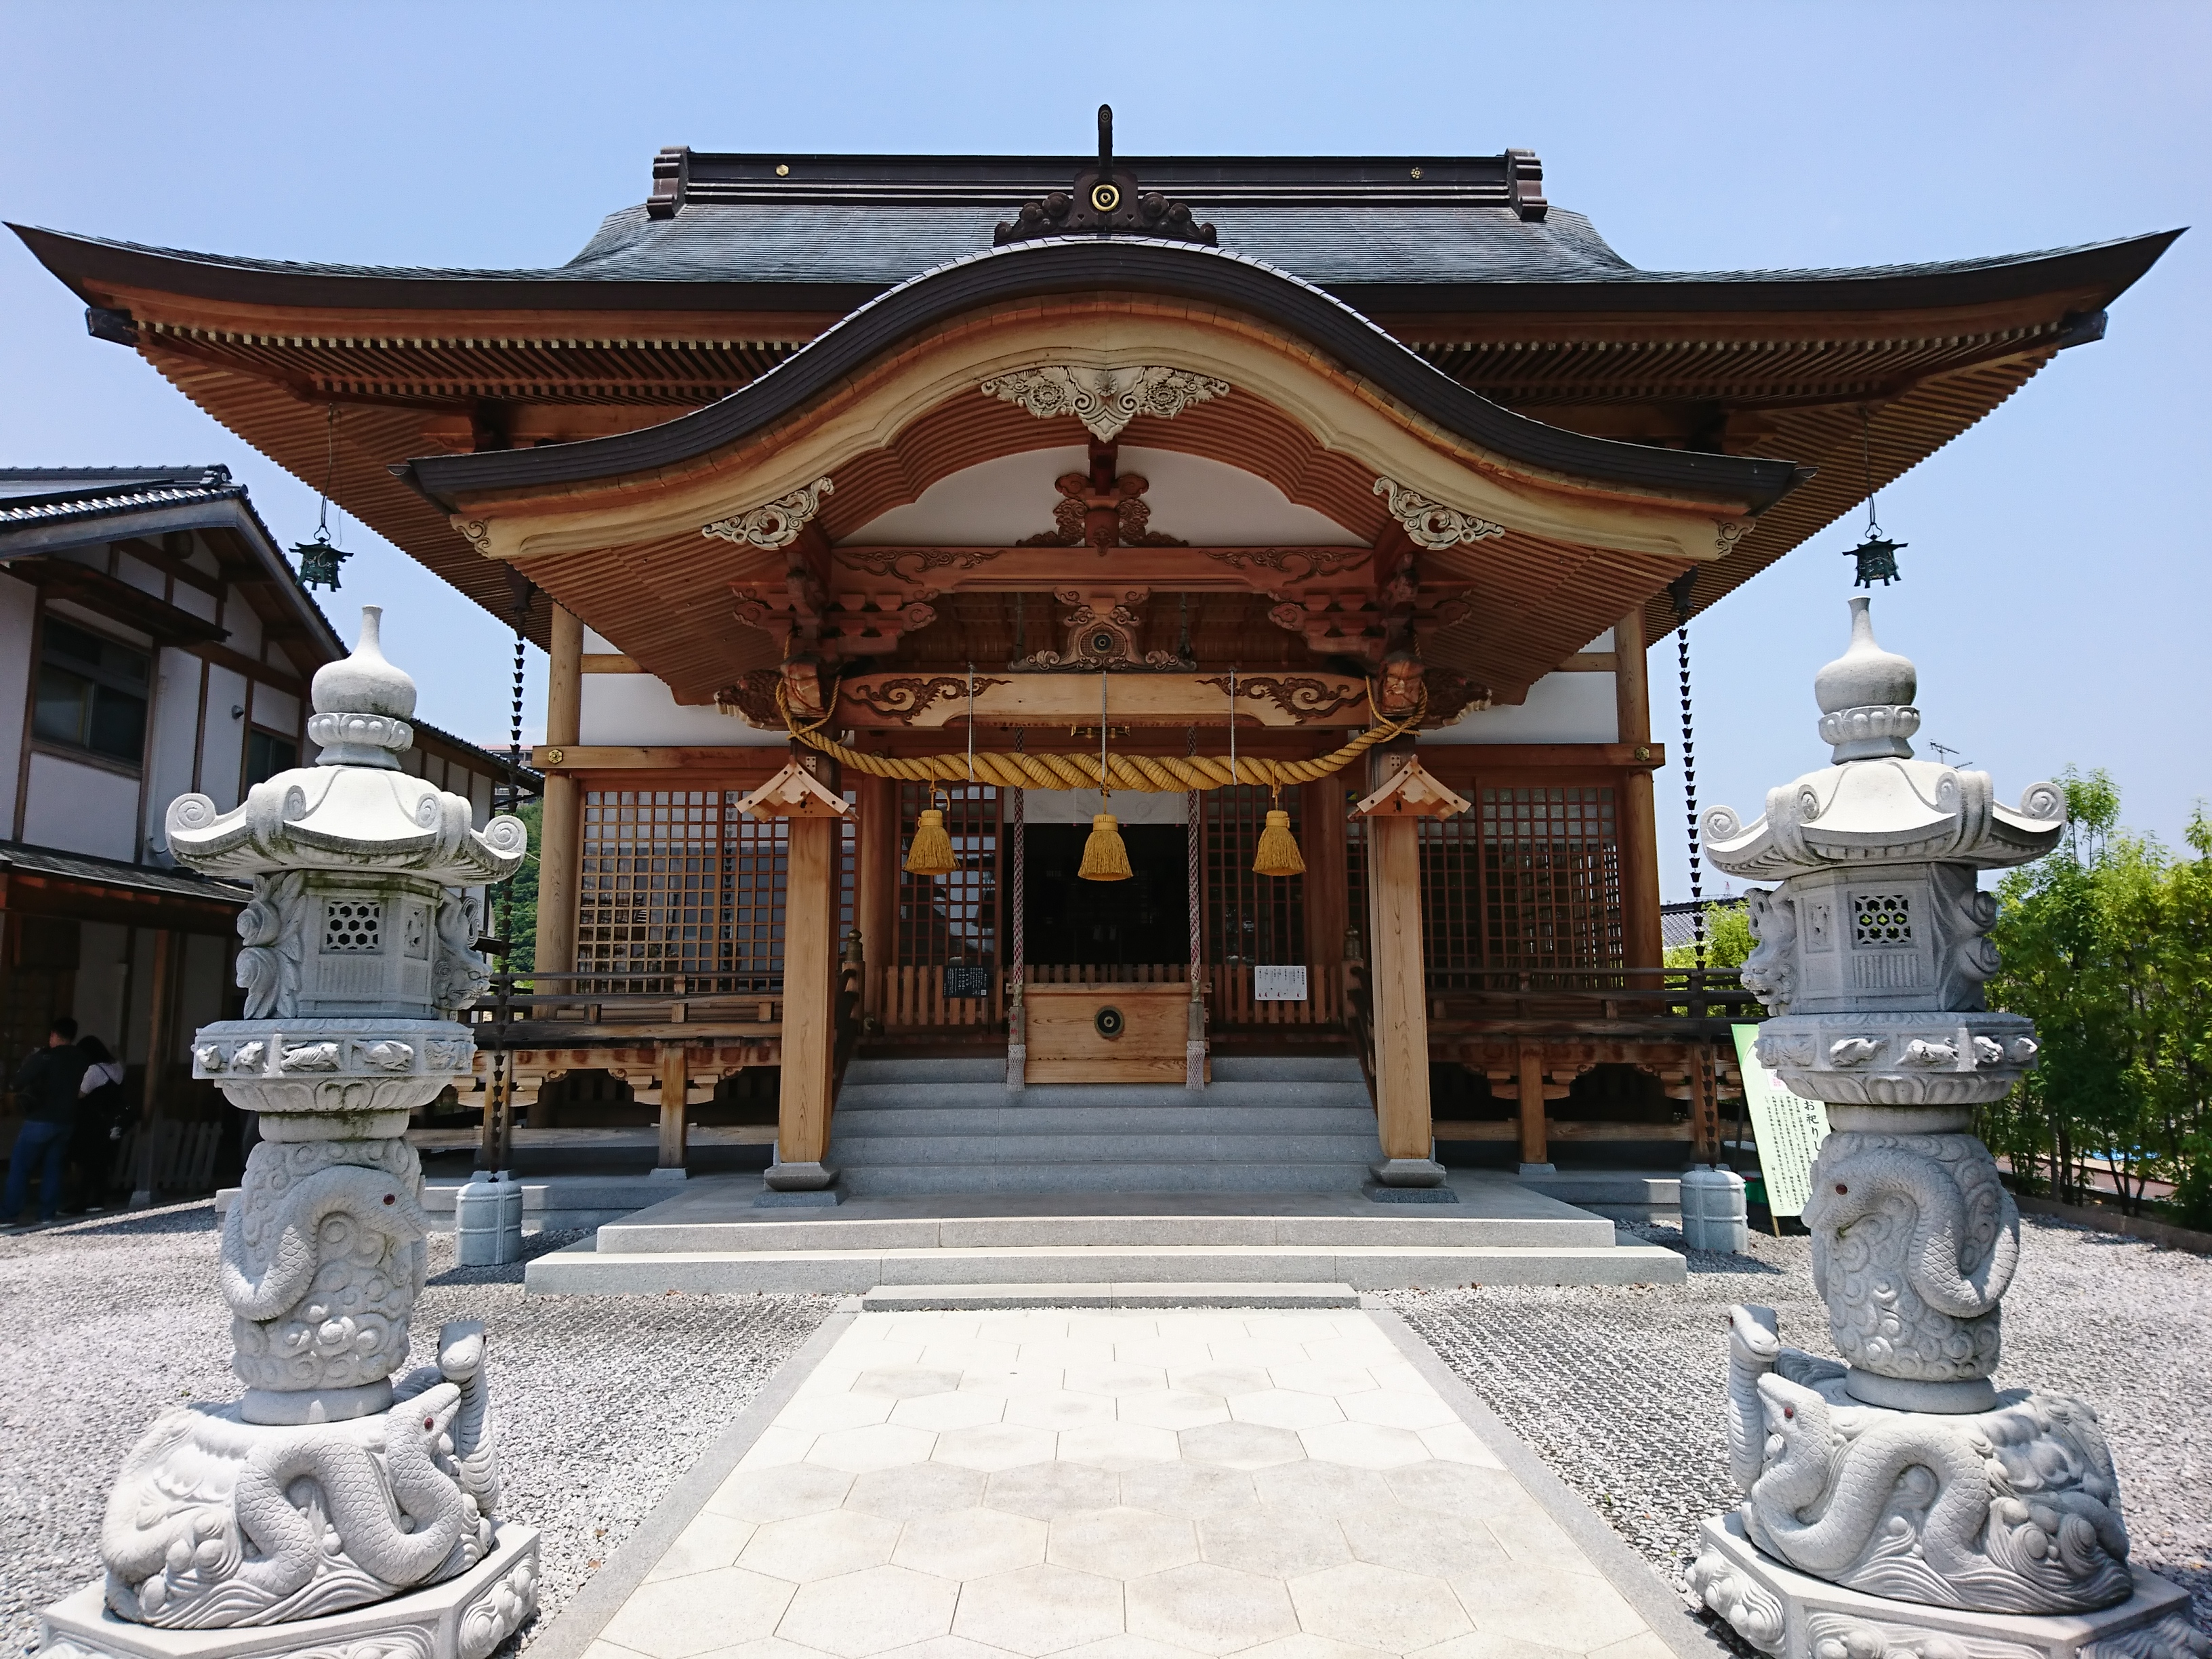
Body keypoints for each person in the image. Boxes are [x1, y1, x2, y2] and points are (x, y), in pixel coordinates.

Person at [7, 1016, 90, 1227]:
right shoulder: (81, 1058)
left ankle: (8, 1214)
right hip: (67, 1120)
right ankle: (46, 1215)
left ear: (54, 1035)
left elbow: (18, 1081)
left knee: (20, 1166)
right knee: (53, 1168)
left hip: (41, 1119)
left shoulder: (46, 1058)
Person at [68, 1034, 129, 1213]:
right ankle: (98, 1200)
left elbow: (81, 1094)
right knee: (101, 1162)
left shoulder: (94, 1070)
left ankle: (80, 1201)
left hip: (90, 1121)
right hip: (109, 1120)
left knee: (86, 1161)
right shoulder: (116, 1067)